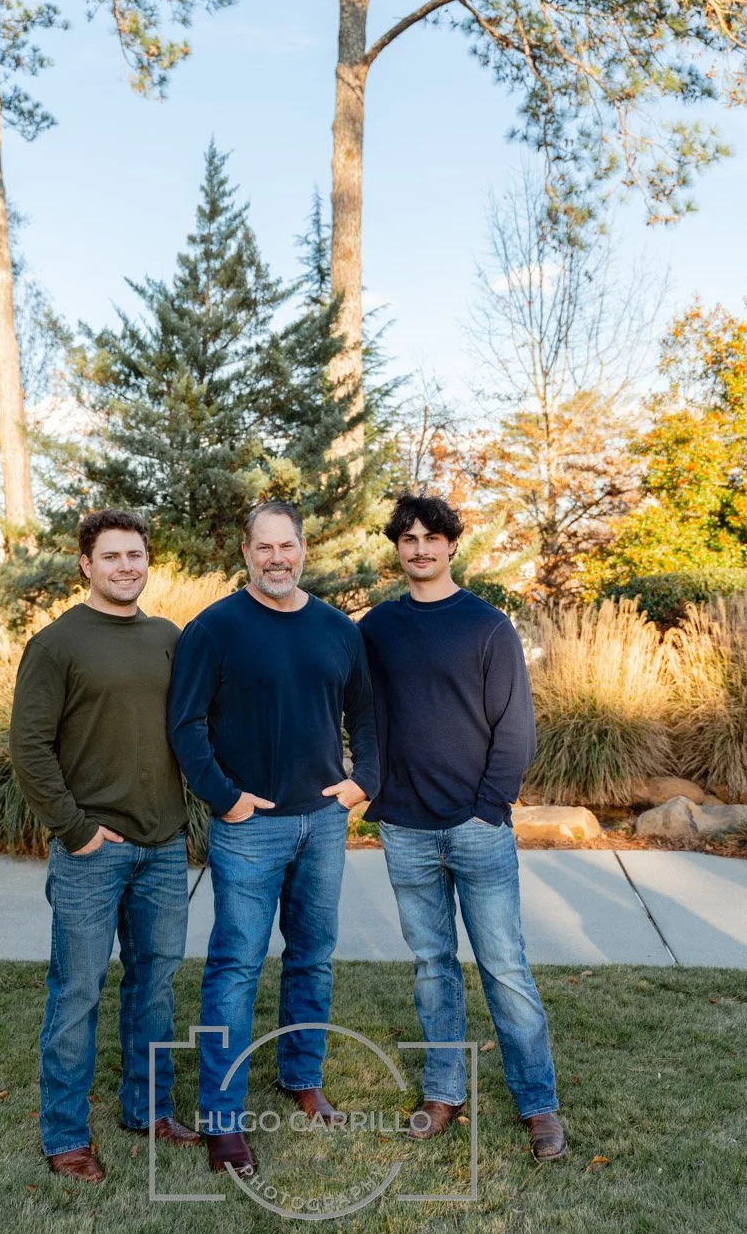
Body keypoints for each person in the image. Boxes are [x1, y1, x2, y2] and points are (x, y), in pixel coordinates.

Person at [168, 501, 379, 1176]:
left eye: (286, 546)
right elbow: (185, 725)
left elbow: (368, 715)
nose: (276, 558)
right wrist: (224, 798)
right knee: (236, 967)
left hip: (322, 823)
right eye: (264, 548)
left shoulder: (337, 629)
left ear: (304, 549)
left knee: (313, 955)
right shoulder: (215, 628)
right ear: (246, 553)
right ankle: (222, 1120)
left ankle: (302, 1077)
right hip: (249, 828)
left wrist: (361, 782)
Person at [358, 492, 567, 1161]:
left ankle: (539, 1106)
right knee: (431, 968)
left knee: (505, 969)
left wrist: (489, 807)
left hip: (477, 828)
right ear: (398, 548)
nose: (419, 548)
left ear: (451, 544)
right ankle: (443, 1093)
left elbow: (515, 729)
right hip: (406, 828)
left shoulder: (487, 626)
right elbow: (354, 710)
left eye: (431, 538)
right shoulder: (376, 629)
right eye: (408, 539)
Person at [10, 509, 200, 1183]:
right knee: (78, 994)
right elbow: (28, 747)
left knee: (153, 989)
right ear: (86, 564)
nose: (127, 566)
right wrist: (76, 829)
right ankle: (65, 1136)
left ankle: (147, 1109)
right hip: (93, 851)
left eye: (137, 555)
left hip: (162, 846)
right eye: (113, 556)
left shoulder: (168, 638)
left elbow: (195, 726)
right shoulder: (58, 644)